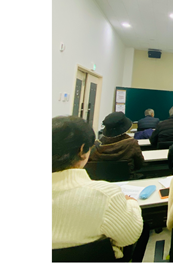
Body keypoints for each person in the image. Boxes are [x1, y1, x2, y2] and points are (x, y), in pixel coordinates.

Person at [52, 116, 143, 260]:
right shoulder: (106, 195)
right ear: (82, 150)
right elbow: (129, 237)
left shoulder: (99, 148)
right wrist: (132, 203)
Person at [88, 111, 144, 176]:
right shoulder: (132, 144)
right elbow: (139, 165)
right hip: (127, 179)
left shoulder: (95, 146)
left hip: (100, 180)